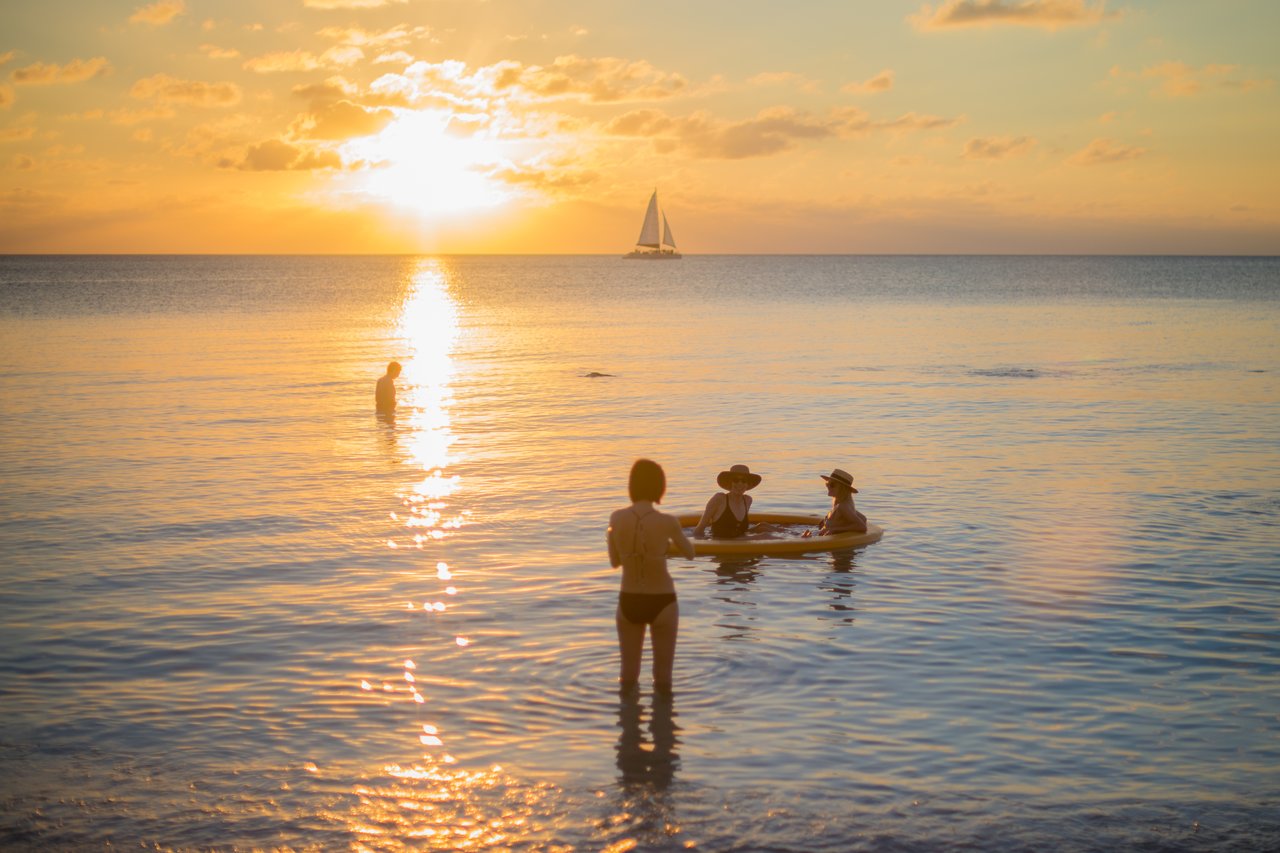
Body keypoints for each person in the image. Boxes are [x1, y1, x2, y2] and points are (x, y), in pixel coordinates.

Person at [607, 459, 695, 694]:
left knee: (627, 675)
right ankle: (664, 726)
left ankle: (628, 723)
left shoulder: (616, 519)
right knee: (663, 677)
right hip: (662, 599)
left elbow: (614, 562)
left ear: (631, 486)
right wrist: (664, 546)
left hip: (629, 599)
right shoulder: (668, 522)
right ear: (660, 486)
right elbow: (690, 554)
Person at [693, 464, 762, 538]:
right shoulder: (719, 499)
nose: (740, 484)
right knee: (764, 536)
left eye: (744, 481)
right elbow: (699, 530)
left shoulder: (747, 500)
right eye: (736, 480)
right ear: (730, 482)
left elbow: (738, 529)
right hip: (721, 545)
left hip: (741, 545)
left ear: (747, 484)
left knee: (763, 526)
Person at [806, 468, 867, 537]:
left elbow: (862, 527)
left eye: (832, 485)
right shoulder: (842, 504)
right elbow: (863, 518)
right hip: (820, 535)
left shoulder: (843, 506)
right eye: (828, 483)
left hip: (826, 542)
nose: (828, 486)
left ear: (842, 489)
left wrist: (835, 529)